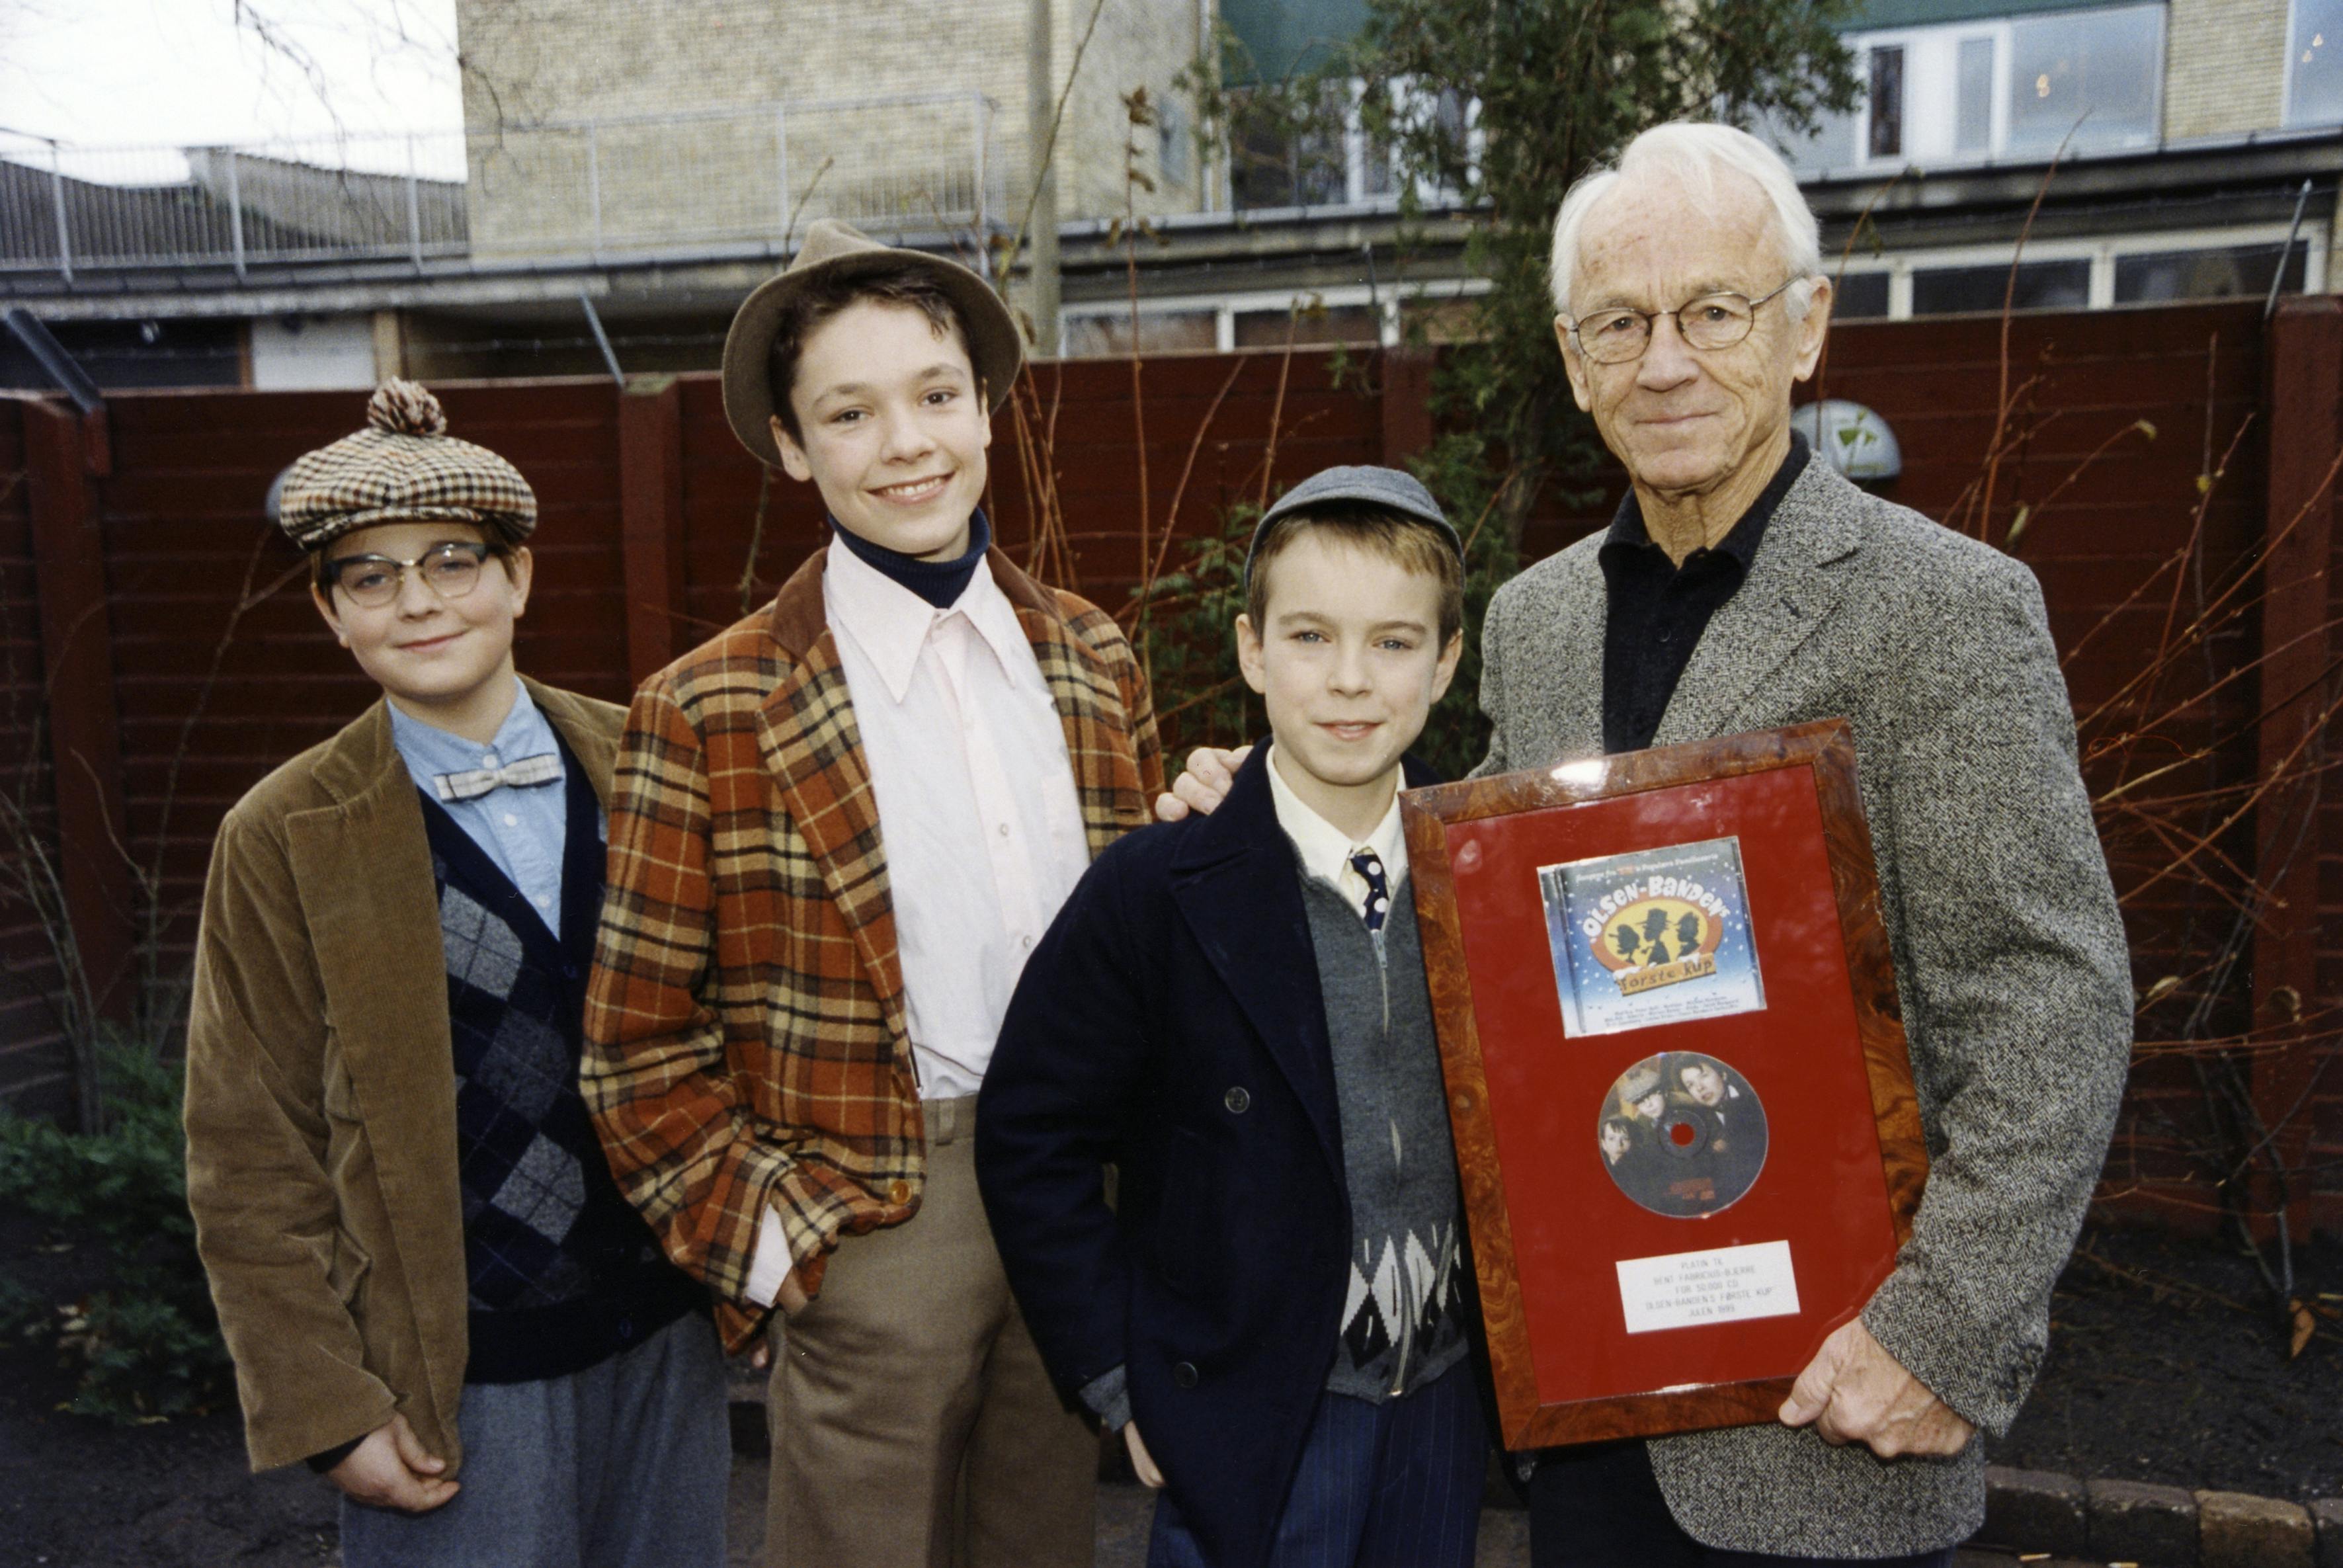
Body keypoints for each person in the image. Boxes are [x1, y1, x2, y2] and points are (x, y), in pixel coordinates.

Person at [1162, 120, 2132, 1566]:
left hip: (1831, 1418)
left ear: (1804, 327)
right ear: (1570, 359)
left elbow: (2051, 996)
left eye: (1712, 312)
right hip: (1590, 1400)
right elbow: (1474, 899)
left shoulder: (1945, 611)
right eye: (1618, 322)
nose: (1662, 361)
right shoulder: (1537, 616)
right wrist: (1278, 807)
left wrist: (1942, 1335)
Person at [581, 219, 1165, 1568]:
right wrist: (779, 1246)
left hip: (1076, 1193)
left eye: (935, 396)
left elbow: (1150, 945)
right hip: (874, 1209)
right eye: (850, 412)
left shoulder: (1087, 660)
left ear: (984, 405)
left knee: (1042, 1540)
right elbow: (634, 1047)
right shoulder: (709, 706)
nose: (906, 444)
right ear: (792, 444)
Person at [183, 380, 728, 1568]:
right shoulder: (284, 834)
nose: (418, 601)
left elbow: (735, 1026)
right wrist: (327, 1404)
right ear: (332, 613)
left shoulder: (647, 759)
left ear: (519, 577)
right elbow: (246, 1150)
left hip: (666, 1333)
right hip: (453, 1375)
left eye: (452, 560)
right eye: (370, 577)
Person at [975, 466, 1485, 1568]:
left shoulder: (1486, 868)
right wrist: (1120, 1374)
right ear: (1253, 651)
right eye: (1310, 637)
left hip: (1444, 1403)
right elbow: (1031, 1130)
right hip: (1256, 1405)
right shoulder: (1158, 890)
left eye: (1395, 643)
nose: (1351, 681)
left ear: (1446, 663)